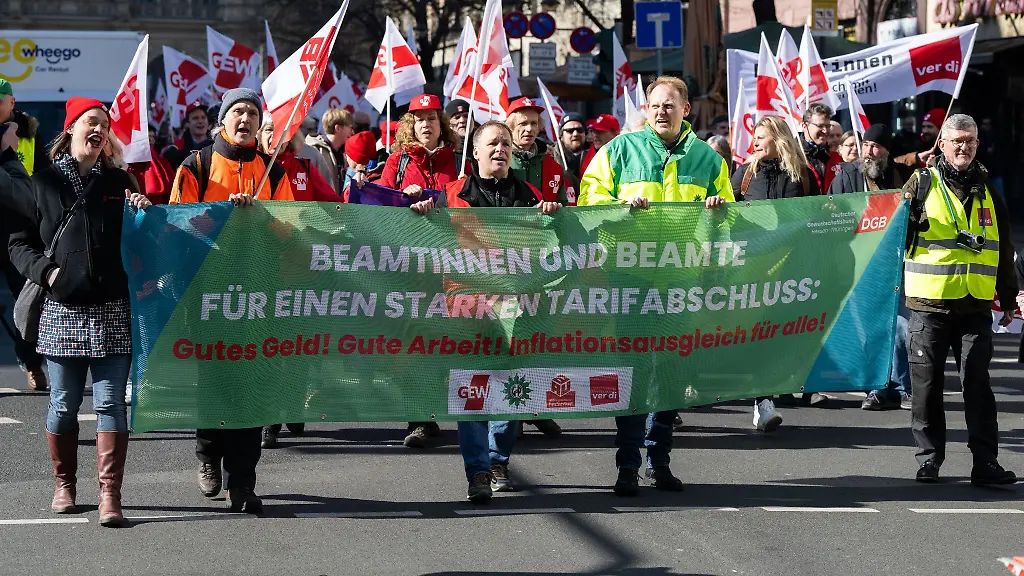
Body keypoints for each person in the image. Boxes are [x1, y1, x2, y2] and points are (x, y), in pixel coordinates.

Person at [580, 75, 733, 496]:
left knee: (670, 375)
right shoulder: (618, 149)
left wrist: (721, 210)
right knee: (632, 372)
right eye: (655, 105)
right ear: (645, 110)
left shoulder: (709, 159)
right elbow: (587, 202)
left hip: (681, 280)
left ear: (687, 109)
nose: (661, 111)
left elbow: (731, 221)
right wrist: (618, 207)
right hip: (629, 278)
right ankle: (627, 465)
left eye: (670, 105)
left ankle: (659, 462)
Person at [9, 97, 153, 527]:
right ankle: (64, 485)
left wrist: (142, 214)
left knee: (111, 405)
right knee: (64, 403)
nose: (98, 130)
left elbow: (143, 245)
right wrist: (48, 274)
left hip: (113, 310)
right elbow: (18, 245)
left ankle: (110, 495)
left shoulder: (121, 181)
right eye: (91, 122)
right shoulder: (43, 183)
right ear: (70, 129)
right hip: (62, 311)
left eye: (104, 126)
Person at [408, 121, 561, 503]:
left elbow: (554, 246)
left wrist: (554, 216)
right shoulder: (450, 195)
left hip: (516, 304)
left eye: (506, 144)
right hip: (467, 305)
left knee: (511, 386)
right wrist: (421, 210)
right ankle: (477, 471)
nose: (500, 149)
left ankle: (498, 459)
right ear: (474, 152)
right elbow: (421, 241)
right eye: (492, 143)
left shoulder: (530, 196)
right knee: (473, 388)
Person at [169, 88, 294, 514]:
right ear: (222, 121)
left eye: (252, 113)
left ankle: (243, 483)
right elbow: (176, 226)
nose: (245, 119)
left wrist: (259, 216)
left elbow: (291, 234)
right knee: (216, 378)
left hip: (258, 293)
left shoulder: (275, 173)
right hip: (209, 291)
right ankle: (208, 455)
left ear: (260, 124)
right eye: (237, 111)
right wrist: (221, 213)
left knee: (251, 385)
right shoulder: (196, 165)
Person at [903, 113, 1017, 486]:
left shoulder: (988, 189)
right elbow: (891, 237)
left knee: (977, 386)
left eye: (969, 140)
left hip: (974, 306)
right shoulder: (921, 183)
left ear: (977, 145)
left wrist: (1008, 295)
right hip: (929, 305)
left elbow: (1003, 246)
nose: (963, 147)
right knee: (927, 386)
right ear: (942, 145)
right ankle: (929, 460)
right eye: (956, 141)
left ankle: (985, 463)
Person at [731, 116, 819, 430]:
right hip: (751, 271)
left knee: (775, 337)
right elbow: (728, 216)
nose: (754, 142)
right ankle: (763, 401)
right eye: (754, 136)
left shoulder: (805, 177)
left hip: (791, 272)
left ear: (778, 139)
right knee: (755, 336)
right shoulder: (743, 175)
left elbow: (818, 220)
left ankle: (764, 400)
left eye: (761, 136)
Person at [0, 79, 51, 392]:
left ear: (11, 102)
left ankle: (31, 363)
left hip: (19, 234)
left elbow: (45, 180)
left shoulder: (28, 134)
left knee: (27, 305)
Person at [378, 94, 461, 201]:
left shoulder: (460, 163)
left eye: (431, 118)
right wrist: (402, 196)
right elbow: (383, 201)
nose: (426, 124)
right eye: (420, 119)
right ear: (411, 126)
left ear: (441, 124)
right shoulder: (396, 161)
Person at [506, 96, 573, 210]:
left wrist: (556, 208)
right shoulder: (499, 161)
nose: (529, 129)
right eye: (523, 123)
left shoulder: (554, 167)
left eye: (534, 123)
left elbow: (565, 207)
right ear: (510, 127)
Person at [257, 118, 337, 202]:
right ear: (260, 136)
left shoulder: (305, 168)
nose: (276, 135)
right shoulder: (250, 166)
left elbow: (332, 203)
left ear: (290, 139)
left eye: (282, 130)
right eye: (269, 129)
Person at [829, 125, 914, 195]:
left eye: (875, 146)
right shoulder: (847, 176)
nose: (868, 151)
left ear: (887, 151)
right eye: (865, 145)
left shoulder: (902, 173)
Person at [306, 108, 354, 192]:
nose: (352, 132)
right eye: (350, 128)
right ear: (338, 128)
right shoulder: (315, 149)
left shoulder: (344, 152)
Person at [801, 103, 843, 192]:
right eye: (820, 126)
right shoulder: (794, 155)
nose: (825, 131)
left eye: (827, 126)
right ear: (805, 126)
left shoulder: (836, 157)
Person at [163, 101, 214, 167]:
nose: (200, 121)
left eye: (203, 117)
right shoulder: (177, 148)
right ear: (187, 123)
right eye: (195, 118)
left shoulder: (216, 144)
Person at [559, 113, 587, 182]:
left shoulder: (597, 156)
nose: (575, 134)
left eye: (579, 130)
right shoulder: (551, 157)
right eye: (570, 131)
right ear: (561, 136)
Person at [445, 98, 471, 166]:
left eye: (466, 116)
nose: (462, 120)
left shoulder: (483, 144)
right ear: (448, 123)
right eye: (457, 117)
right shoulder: (443, 149)